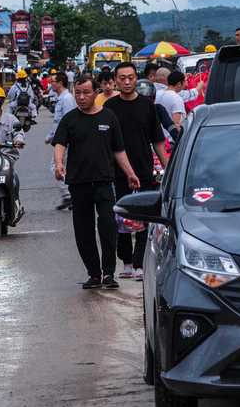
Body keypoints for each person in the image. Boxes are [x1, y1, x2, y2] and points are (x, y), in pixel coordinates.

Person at [53, 75, 141, 289]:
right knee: (83, 231)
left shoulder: (109, 117)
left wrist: (130, 173)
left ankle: (109, 274)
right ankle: (93, 274)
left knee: (108, 228)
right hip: (78, 183)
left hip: (104, 183)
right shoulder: (70, 119)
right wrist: (58, 163)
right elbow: (59, 143)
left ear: (95, 93)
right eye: (78, 93)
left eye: (86, 93)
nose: (81, 97)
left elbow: (118, 150)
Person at [104, 62, 166, 278]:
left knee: (144, 217)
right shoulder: (109, 107)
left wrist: (167, 167)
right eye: (122, 78)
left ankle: (140, 263)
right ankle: (127, 262)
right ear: (115, 80)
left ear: (136, 78)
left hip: (144, 169)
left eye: (131, 77)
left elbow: (158, 140)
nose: (127, 82)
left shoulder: (147, 106)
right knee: (121, 217)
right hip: (117, 172)